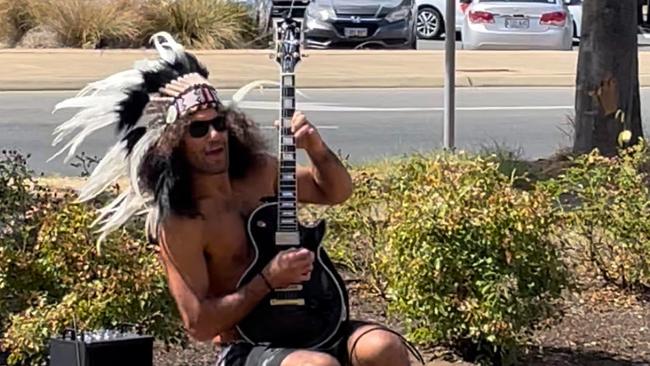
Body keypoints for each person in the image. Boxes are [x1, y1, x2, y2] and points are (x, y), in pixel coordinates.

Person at [50, 32, 421, 366]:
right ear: (174, 143)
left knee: (384, 348)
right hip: (247, 344)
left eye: (220, 123)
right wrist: (268, 280)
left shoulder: (261, 171)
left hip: (319, 324)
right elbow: (197, 323)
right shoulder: (182, 222)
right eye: (198, 129)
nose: (214, 136)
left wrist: (317, 149)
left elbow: (336, 192)